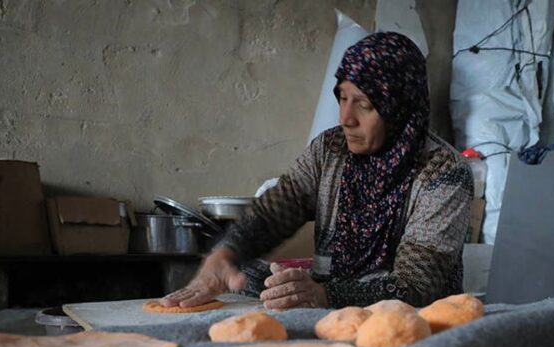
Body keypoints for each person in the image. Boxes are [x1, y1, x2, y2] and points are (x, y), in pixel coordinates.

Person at [160, 32, 473, 310]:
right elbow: (277, 209)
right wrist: (226, 253)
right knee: (247, 274)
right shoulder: (330, 149)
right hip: (331, 300)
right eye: (343, 98)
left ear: (399, 107)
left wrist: (325, 295)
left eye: (364, 104)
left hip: (412, 320)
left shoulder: (443, 172)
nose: (346, 118)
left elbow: (416, 286)